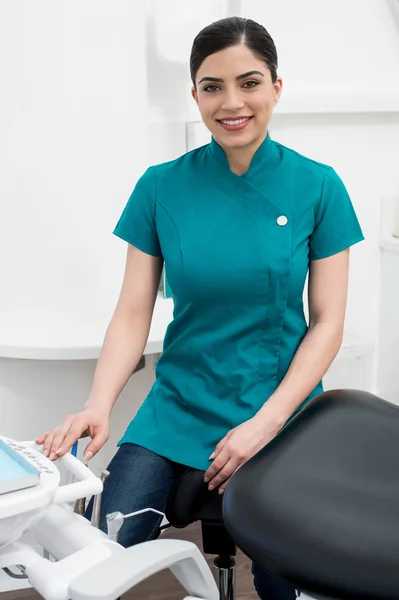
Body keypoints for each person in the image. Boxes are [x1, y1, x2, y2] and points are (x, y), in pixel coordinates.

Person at [36, 16, 364, 599]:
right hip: (179, 405)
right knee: (103, 551)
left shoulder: (319, 186)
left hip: (278, 407)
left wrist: (264, 425)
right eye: (212, 86)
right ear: (194, 95)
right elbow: (133, 312)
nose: (231, 102)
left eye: (249, 82)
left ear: (276, 87)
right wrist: (98, 404)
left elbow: (328, 324)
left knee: (282, 567)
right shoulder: (160, 187)